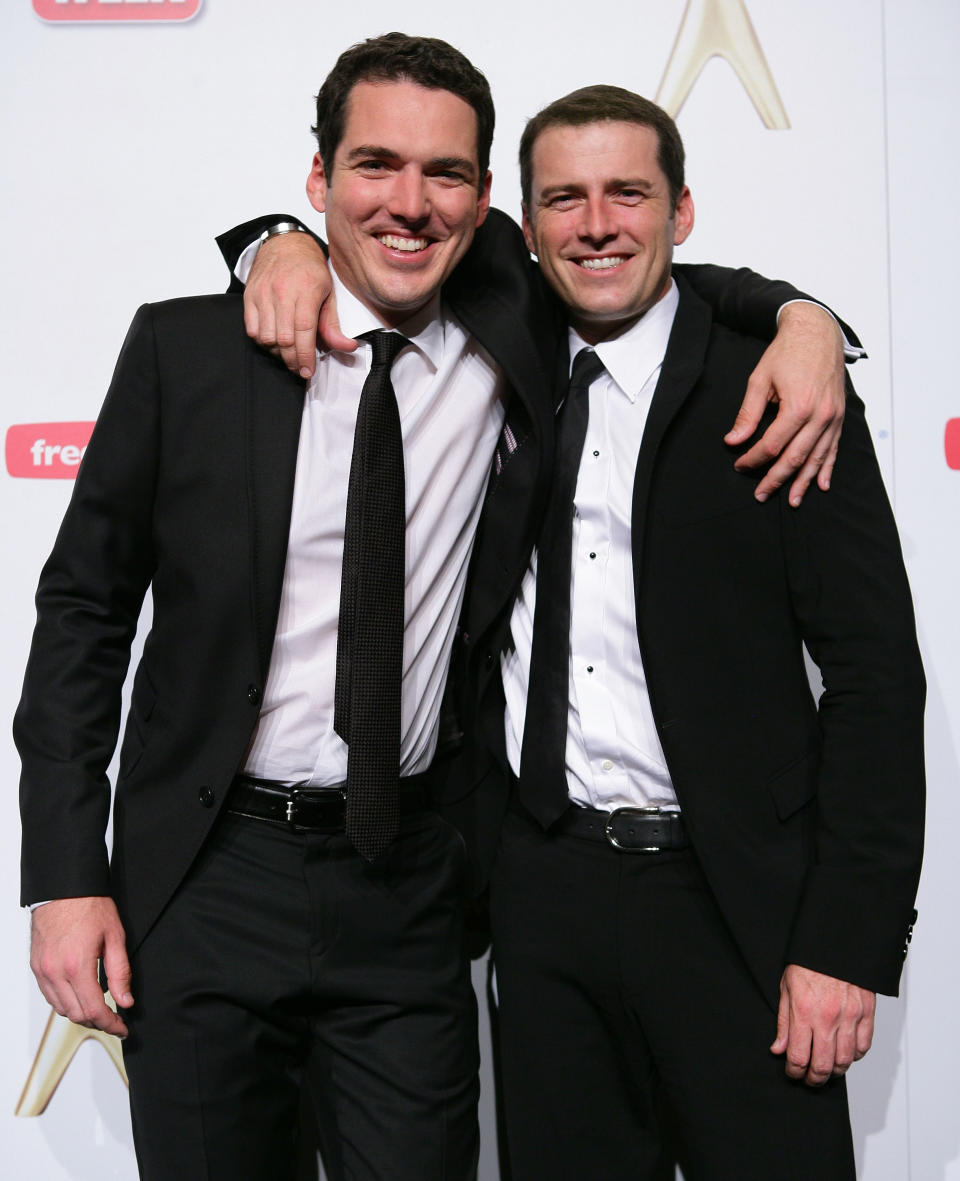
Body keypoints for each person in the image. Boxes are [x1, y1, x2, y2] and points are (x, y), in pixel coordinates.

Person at [18, 33, 856, 1181]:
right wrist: (65, 873)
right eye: (374, 167)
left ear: (484, 204)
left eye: (446, 175)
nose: (409, 203)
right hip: (207, 878)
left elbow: (643, 271)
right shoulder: (187, 352)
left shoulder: (510, 321)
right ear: (316, 183)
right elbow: (82, 615)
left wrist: (806, 319)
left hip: (405, 887)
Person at [477, 87, 922, 1180]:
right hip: (548, 893)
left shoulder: (779, 387)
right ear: (526, 227)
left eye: (628, 193)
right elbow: (380, 226)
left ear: (682, 210)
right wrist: (278, 250)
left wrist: (841, 944)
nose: (596, 223)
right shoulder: (498, 353)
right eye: (564, 200)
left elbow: (873, 679)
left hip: (738, 906)